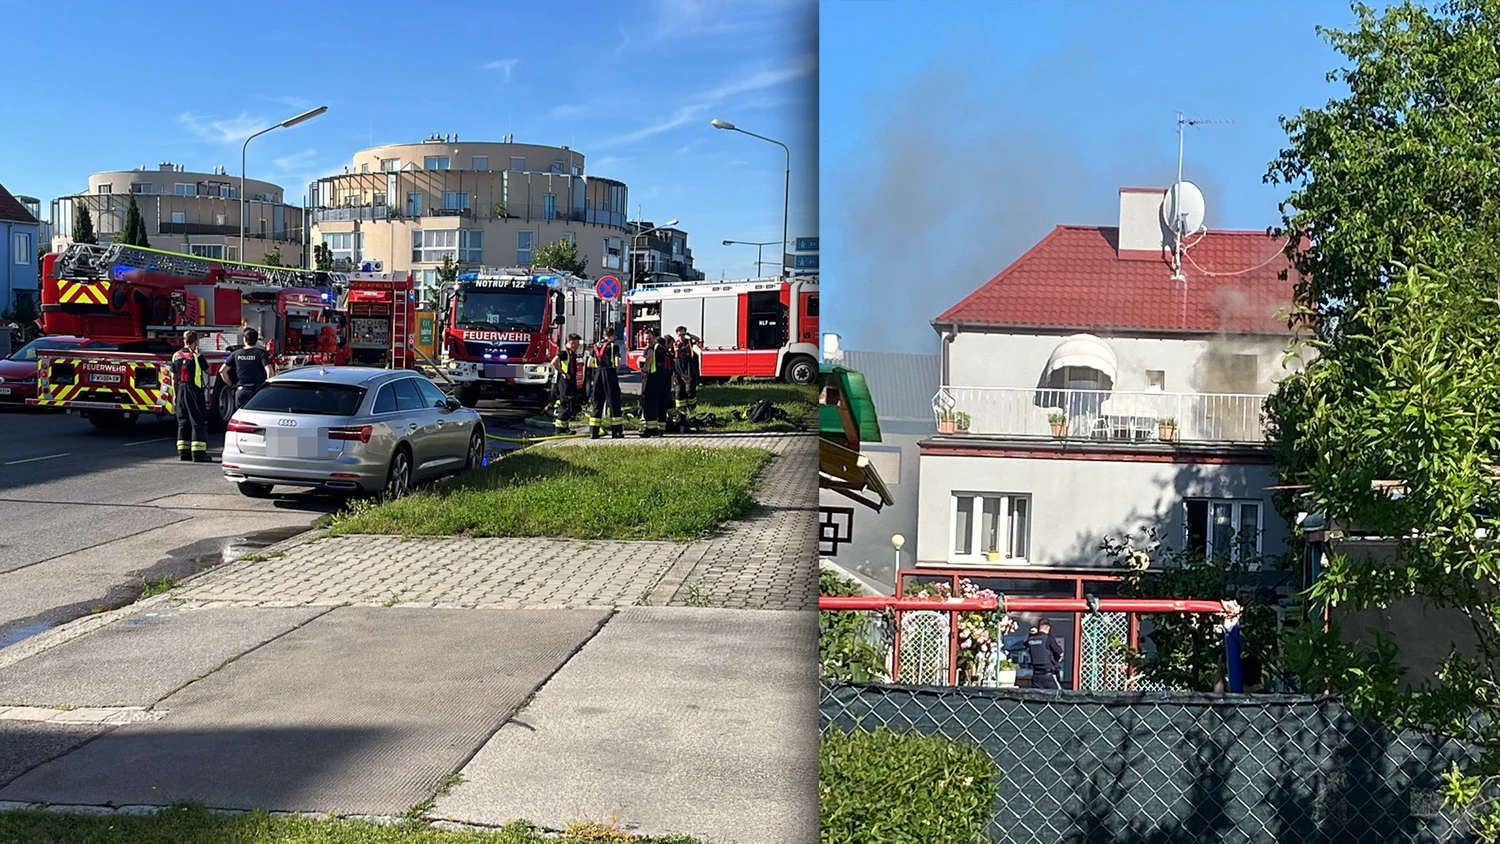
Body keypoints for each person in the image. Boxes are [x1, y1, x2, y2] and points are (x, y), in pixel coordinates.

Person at [172, 331, 212, 463]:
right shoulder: (196, 356)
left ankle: (183, 453)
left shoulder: (176, 355)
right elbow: (208, 370)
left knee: (183, 421)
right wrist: (200, 355)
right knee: (197, 421)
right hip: (194, 391)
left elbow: (173, 377)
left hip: (181, 390)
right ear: (195, 342)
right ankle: (198, 454)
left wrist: (175, 394)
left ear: (184, 340)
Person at [222, 328, 277, 414]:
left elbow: (222, 371)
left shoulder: (236, 354)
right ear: (256, 340)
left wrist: (231, 385)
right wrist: (267, 386)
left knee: (242, 417)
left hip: (241, 391)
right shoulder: (261, 353)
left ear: (244, 339)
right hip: (256, 392)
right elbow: (269, 371)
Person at [587, 326, 624, 440]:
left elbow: (589, 363)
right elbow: (617, 363)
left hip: (597, 374)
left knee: (597, 402)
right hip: (609, 374)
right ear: (612, 336)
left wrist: (598, 367)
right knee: (613, 401)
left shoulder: (595, 346)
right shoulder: (613, 346)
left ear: (603, 335)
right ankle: (616, 432)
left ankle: (594, 432)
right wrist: (614, 368)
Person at [638, 328, 672, 438]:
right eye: (646, 339)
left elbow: (649, 359)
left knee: (650, 404)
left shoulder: (652, 348)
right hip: (664, 381)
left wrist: (643, 368)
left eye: (649, 338)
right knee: (661, 404)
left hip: (653, 379)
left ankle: (651, 429)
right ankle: (661, 428)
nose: (647, 341)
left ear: (654, 338)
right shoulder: (665, 350)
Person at [551, 333, 585, 433]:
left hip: (571, 382)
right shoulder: (564, 353)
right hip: (565, 382)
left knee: (570, 404)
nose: (578, 346)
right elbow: (554, 362)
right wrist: (563, 373)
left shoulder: (571, 353)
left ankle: (565, 428)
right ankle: (559, 429)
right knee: (565, 404)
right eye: (577, 343)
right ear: (572, 342)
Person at [1026, 618, 1065, 690]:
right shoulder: (1048, 638)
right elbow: (1060, 653)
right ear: (1048, 627)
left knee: (1037, 695)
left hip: (1036, 675)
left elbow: (1026, 644)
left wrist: (1031, 634)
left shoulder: (1031, 639)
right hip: (1048, 674)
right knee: (1058, 694)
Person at [672, 325, 701, 413]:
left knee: (689, 389)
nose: (681, 336)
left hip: (689, 367)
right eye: (679, 334)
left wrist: (688, 334)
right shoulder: (674, 344)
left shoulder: (689, 342)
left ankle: (691, 408)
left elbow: (698, 339)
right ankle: (681, 410)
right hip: (678, 368)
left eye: (683, 334)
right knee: (679, 391)